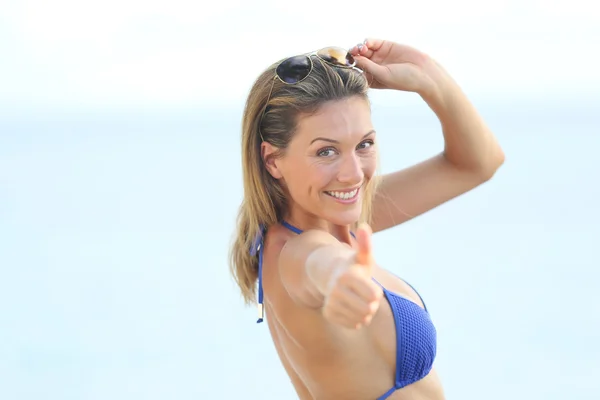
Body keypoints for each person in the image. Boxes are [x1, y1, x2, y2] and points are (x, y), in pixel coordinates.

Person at [229, 38, 504, 400]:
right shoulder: (297, 250)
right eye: (326, 151)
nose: (353, 174)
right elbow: (321, 266)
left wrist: (427, 75)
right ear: (272, 160)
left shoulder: (338, 215)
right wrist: (341, 281)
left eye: (364, 145)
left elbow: (477, 163)